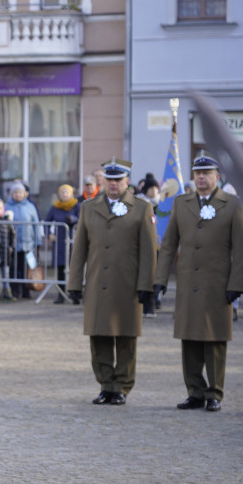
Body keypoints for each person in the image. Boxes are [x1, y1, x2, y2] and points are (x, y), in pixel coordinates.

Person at [154, 153, 243, 412]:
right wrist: (159, 279)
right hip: (189, 283)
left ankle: (214, 392)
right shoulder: (182, 203)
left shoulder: (233, 204)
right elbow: (169, 244)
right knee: (189, 338)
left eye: (207, 173)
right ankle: (195, 391)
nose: (202, 177)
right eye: (197, 173)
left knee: (214, 340)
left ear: (217, 176)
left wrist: (236, 283)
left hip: (218, 283)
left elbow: (240, 248)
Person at [67, 157, 157, 406]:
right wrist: (74, 284)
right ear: (104, 180)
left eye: (118, 179)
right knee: (99, 336)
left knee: (126, 338)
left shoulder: (141, 207)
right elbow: (79, 250)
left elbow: (149, 251)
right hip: (98, 283)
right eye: (110, 179)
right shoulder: (89, 207)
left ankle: (122, 387)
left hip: (128, 285)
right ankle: (106, 385)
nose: (114, 184)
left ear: (127, 181)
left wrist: (146, 286)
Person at [6, 181, 42, 299]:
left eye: (20, 192)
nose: (18, 195)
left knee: (26, 268)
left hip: (28, 244)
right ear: (12, 194)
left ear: (24, 194)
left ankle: (26, 291)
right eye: (15, 192)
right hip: (13, 245)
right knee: (14, 268)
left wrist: (38, 242)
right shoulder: (7, 206)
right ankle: (14, 291)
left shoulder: (30, 206)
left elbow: (36, 225)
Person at [44, 184, 79, 303]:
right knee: (60, 268)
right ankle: (61, 294)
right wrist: (49, 234)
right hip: (59, 242)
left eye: (67, 192)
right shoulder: (55, 207)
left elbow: (82, 220)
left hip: (73, 241)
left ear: (71, 194)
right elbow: (47, 221)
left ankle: (75, 293)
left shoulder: (76, 206)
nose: (65, 195)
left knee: (74, 267)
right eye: (63, 192)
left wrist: (74, 220)